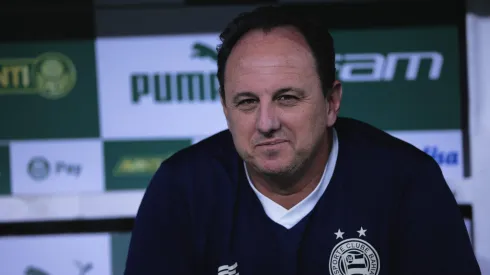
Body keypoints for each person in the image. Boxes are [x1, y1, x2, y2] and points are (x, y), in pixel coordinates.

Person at [124, 5, 481, 275]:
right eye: (247, 102)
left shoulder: (407, 181)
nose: (266, 123)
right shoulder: (181, 188)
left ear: (331, 102)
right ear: (225, 107)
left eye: (287, 98)